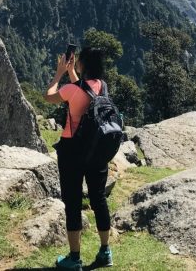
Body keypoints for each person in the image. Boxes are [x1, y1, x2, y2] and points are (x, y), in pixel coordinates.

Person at [45, 47, 113, 270]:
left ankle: (74, 259)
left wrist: (58, 74)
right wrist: (72, 71)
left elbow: (49, 97)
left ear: (82, 64)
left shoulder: (71, 89)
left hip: (72, 151)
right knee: (99, 199)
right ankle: (105, 252)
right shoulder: (102, 86)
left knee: (73, 203)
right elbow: (84, 93)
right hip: (97, 150)